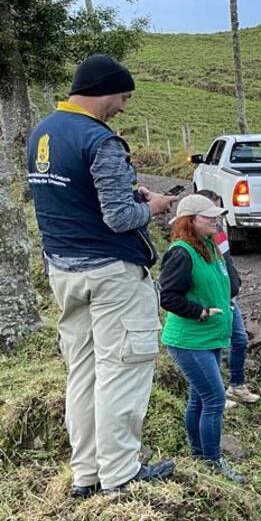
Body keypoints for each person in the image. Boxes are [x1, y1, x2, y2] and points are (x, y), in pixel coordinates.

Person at [26, 54, 178, 497]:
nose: (124, 107)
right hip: (110, 274)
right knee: (122, 368)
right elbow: (118, 218)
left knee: (84, 371)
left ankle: (86, 473)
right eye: (124, 97)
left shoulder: (44, 131)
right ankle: (120, 473)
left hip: (65, 271)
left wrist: (132, 192)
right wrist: (152, 206)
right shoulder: (101, 141)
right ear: (105, 90)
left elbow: (76, 196)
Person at [159, 194, 244, 483]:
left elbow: (228, 282)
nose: (215, 219)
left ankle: (199, 455)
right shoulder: (181, 253)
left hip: (209, 339)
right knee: (215, 399)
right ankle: (212, 462)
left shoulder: (210, 246)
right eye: (209, 217)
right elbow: (168, 296)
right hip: (189, 340)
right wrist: (201, 312)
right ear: (190, 221)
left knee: (199, 398)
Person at [197, 190, 260, 406]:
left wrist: (235, 282)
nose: (217, 219)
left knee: (240, 340)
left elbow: (227, 262)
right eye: (212, 214)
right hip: (213, 301)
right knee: (213, 347)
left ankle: (236, 385)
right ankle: (216, 392)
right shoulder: (196, 244)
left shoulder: (220, 232)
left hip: (229, 298)